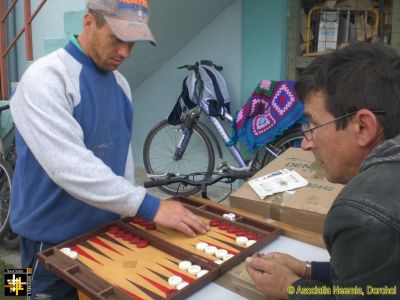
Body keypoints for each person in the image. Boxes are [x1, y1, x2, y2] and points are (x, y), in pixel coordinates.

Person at [9, 0, 208, 299]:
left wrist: (127, 211)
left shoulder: (121, 85)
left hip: (100, 236)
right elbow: (67, 165)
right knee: (19, 294)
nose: (125, 53)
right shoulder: (44, 78)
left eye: (133, 44)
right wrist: (148, 206)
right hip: (41, 239)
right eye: (117, 39)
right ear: (89, 22)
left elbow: (120, 157)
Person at [245, 42, 400, 299]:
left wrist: (291, 289)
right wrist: (308, 270)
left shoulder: (361, 212)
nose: (305, 144)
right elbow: (382, 280)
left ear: (363, 127)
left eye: (313, 125)